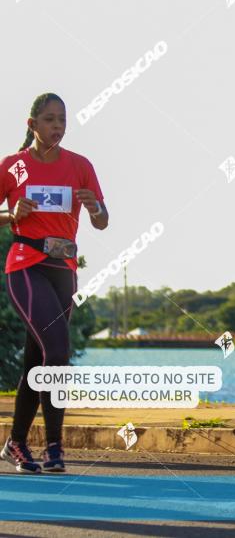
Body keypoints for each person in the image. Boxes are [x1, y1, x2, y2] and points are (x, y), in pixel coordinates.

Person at [0, 93, 108, 473]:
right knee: (58, 351)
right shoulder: (13, 167)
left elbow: (102, 219)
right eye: (49, 120)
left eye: (62, 120)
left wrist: (94, 206)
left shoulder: (79, 166)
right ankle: (55, 448)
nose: (58, 127)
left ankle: (15, 442)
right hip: (25, 266)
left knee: (38, 360)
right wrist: (10, 214)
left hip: (64, 270)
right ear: (32, 125)